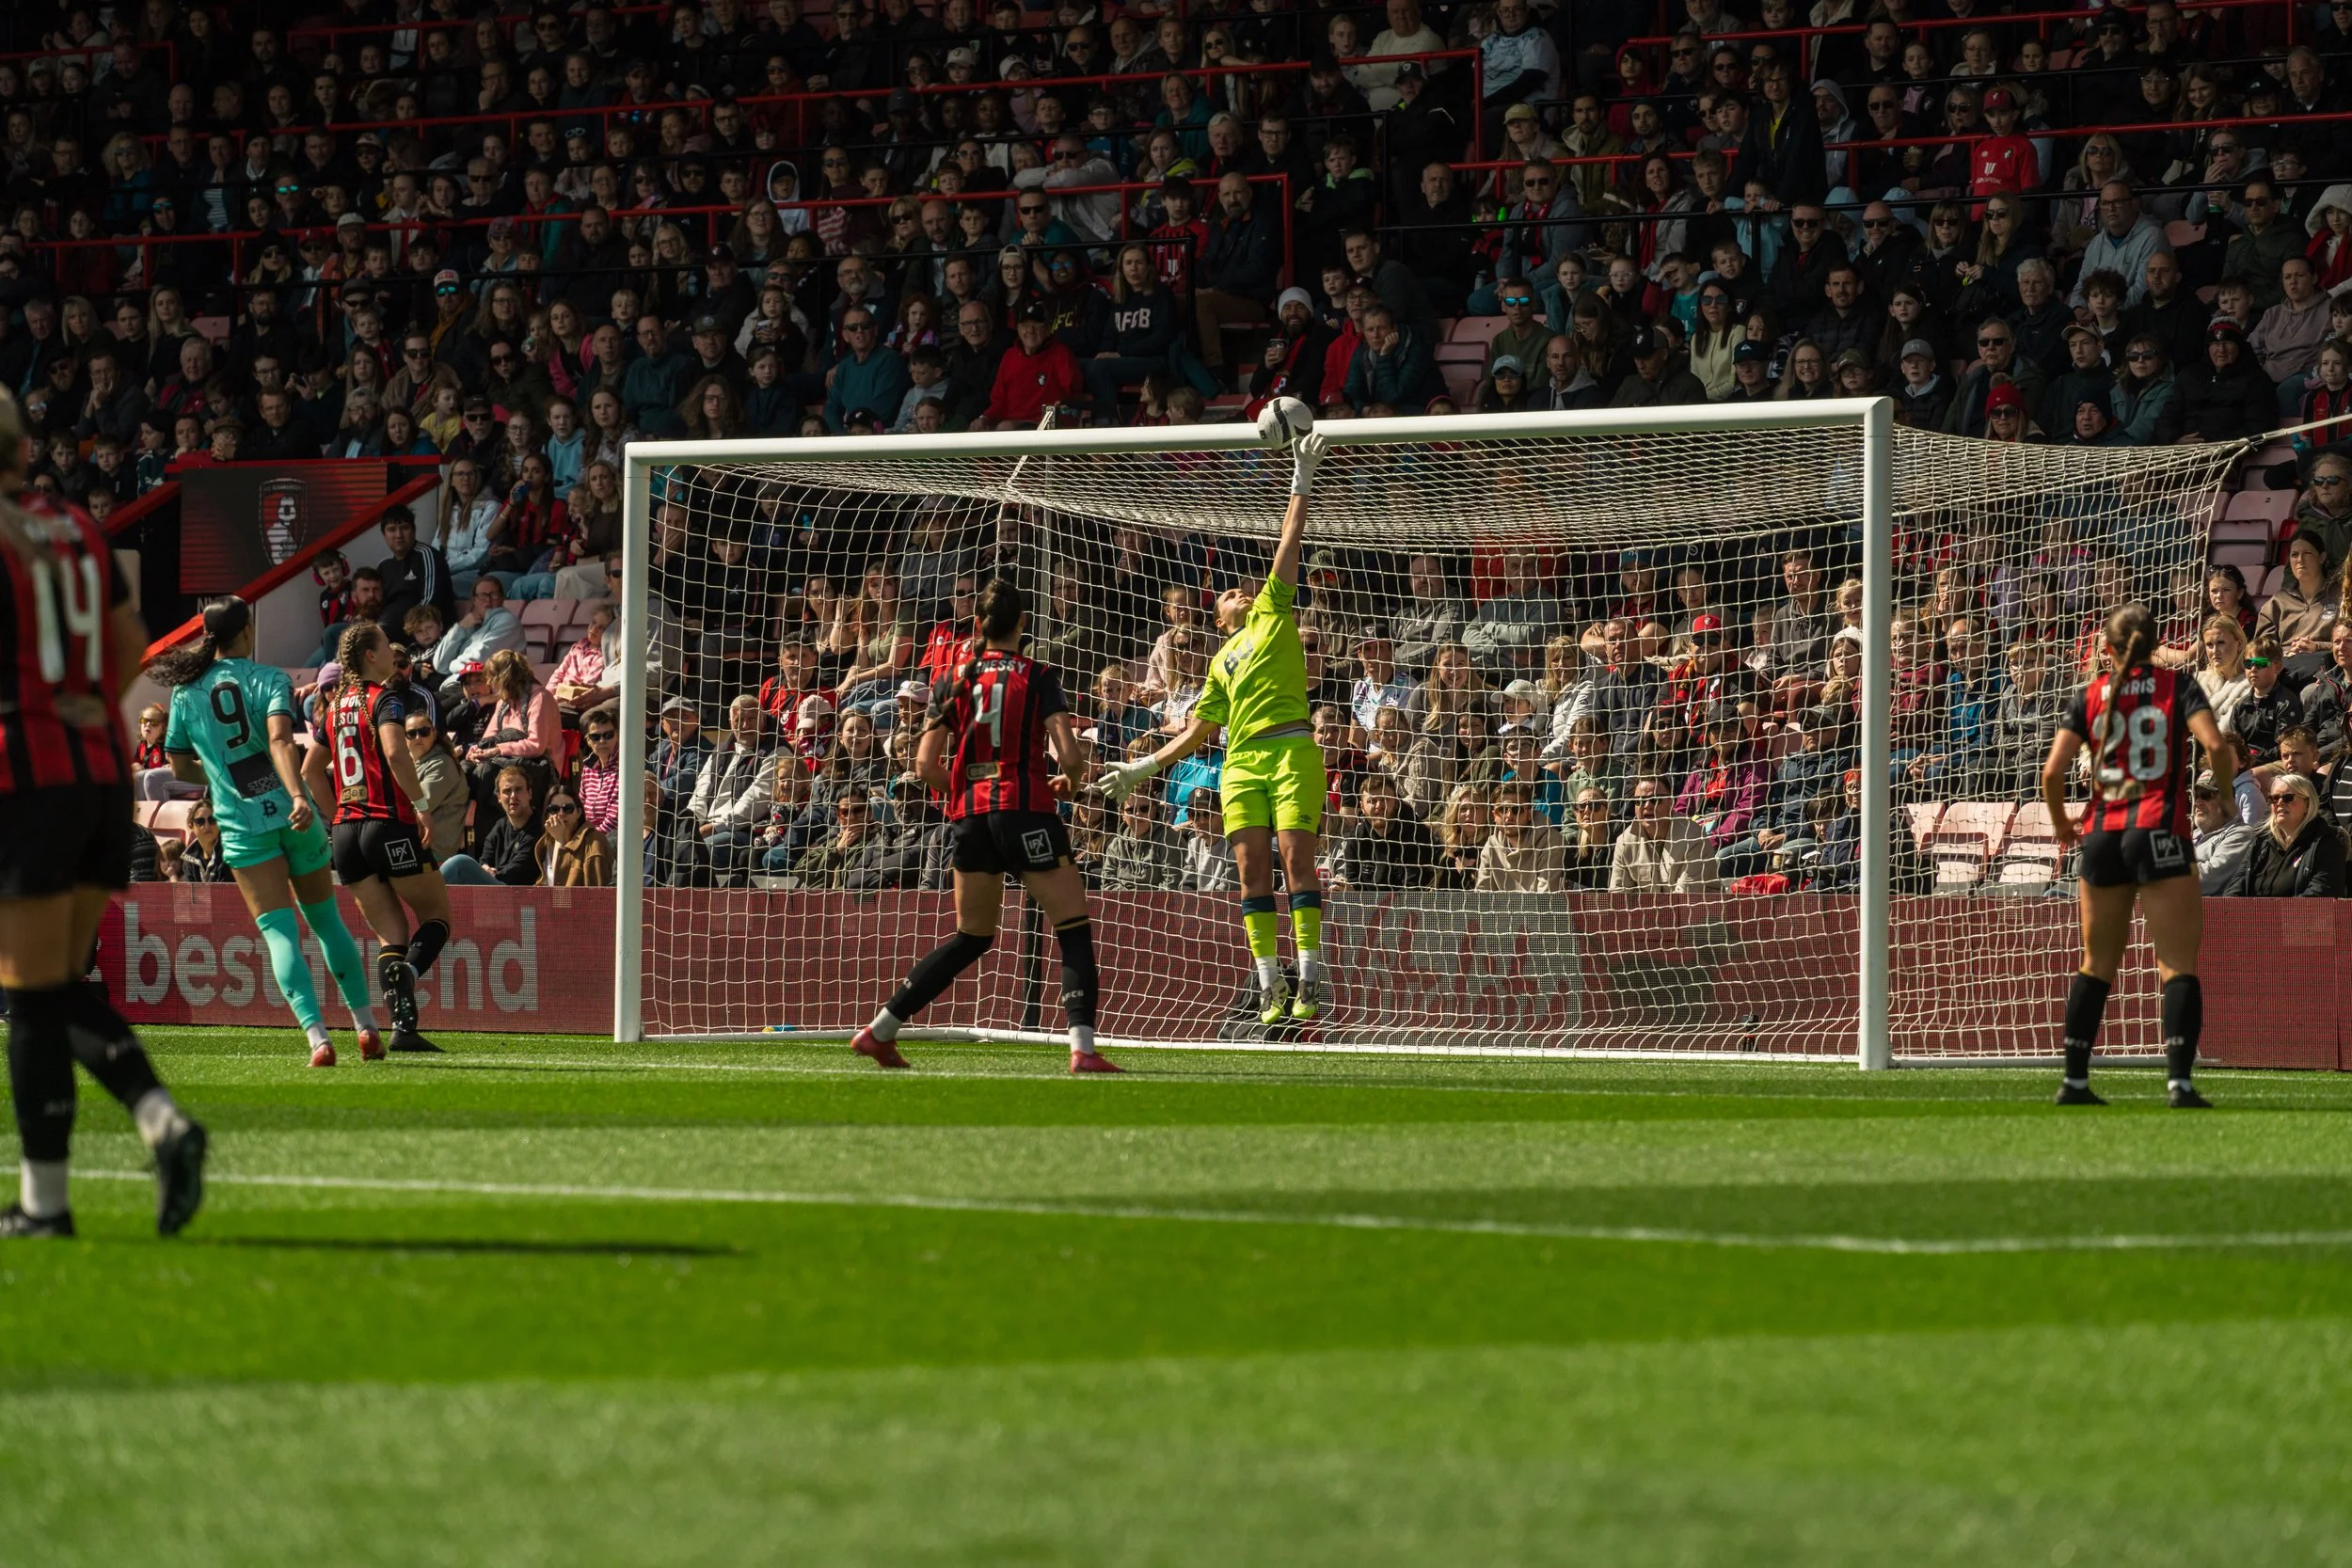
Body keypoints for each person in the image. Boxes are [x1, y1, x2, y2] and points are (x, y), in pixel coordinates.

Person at [0, 388, 207, 1240]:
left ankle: (47, 1204)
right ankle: (161, 1125)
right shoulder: (78, 525)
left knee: (27, 992)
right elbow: (131, 641)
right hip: (99, 770)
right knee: (50, 989)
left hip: (25, 775)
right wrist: (84, 706)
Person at [1104, 428, 1332, 1028]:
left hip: (1290, 751)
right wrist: (1145, 766)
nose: (1242, 590)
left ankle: (1311, 979)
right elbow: (1200, 729)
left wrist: (1300, 482)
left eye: (1243, 587)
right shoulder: (1215, 663)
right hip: (1241, 763)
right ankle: (1269, 987)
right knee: (1252, 872)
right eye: (1230, 591)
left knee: (1296, 863)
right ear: (1217, 614)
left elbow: (1289, 540)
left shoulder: (1271, 614)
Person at [850, 578, 1119, 1075]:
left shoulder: (954, 677)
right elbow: (1072, 753)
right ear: (1023, 626)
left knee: (971, 935)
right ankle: (1082, 1049)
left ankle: (880, 1030)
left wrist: (969, 797)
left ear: (977, 625)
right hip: (1025, 810)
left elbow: (926, 763)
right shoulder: (1037, 674)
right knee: (1074, 924)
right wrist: (1069, 781)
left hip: (970, 818)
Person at [151, 598, 382, 1067]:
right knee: (326, 922)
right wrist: (298, 797)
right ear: (246, 631)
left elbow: (178, 762)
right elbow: (280, 741)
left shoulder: (185, 693)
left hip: (240, 825)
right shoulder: (271, 679)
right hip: (290, 813)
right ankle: (365, 1026)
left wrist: (219, 776)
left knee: (279, 933)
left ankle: (318, 1039)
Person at [2041, 603, 2228, 1108]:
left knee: (2095, 963)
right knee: (2177, 964)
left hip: (2103, 833)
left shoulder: (2091, 694)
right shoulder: (2179, 687)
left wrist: (2062, 823)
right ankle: (2179, 1085)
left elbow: (2053, 772)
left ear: (2107, 648)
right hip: (2159, 830)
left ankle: (2075, 1081)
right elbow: (2216, 745)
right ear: (2156, 644)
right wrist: (2227, 795)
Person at [304, 621, 455, 1055]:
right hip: (388, 822)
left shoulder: (333, 707)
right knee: (436, 917)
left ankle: (403, 1029)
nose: (393, 651)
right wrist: (421, 803)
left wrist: (337, 820)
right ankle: (409, 976)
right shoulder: (382, 698)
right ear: (371, 656)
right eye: (386, 646)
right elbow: (393, 752)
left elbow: (310, 772)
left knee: (392, 936)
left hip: (347, 835)